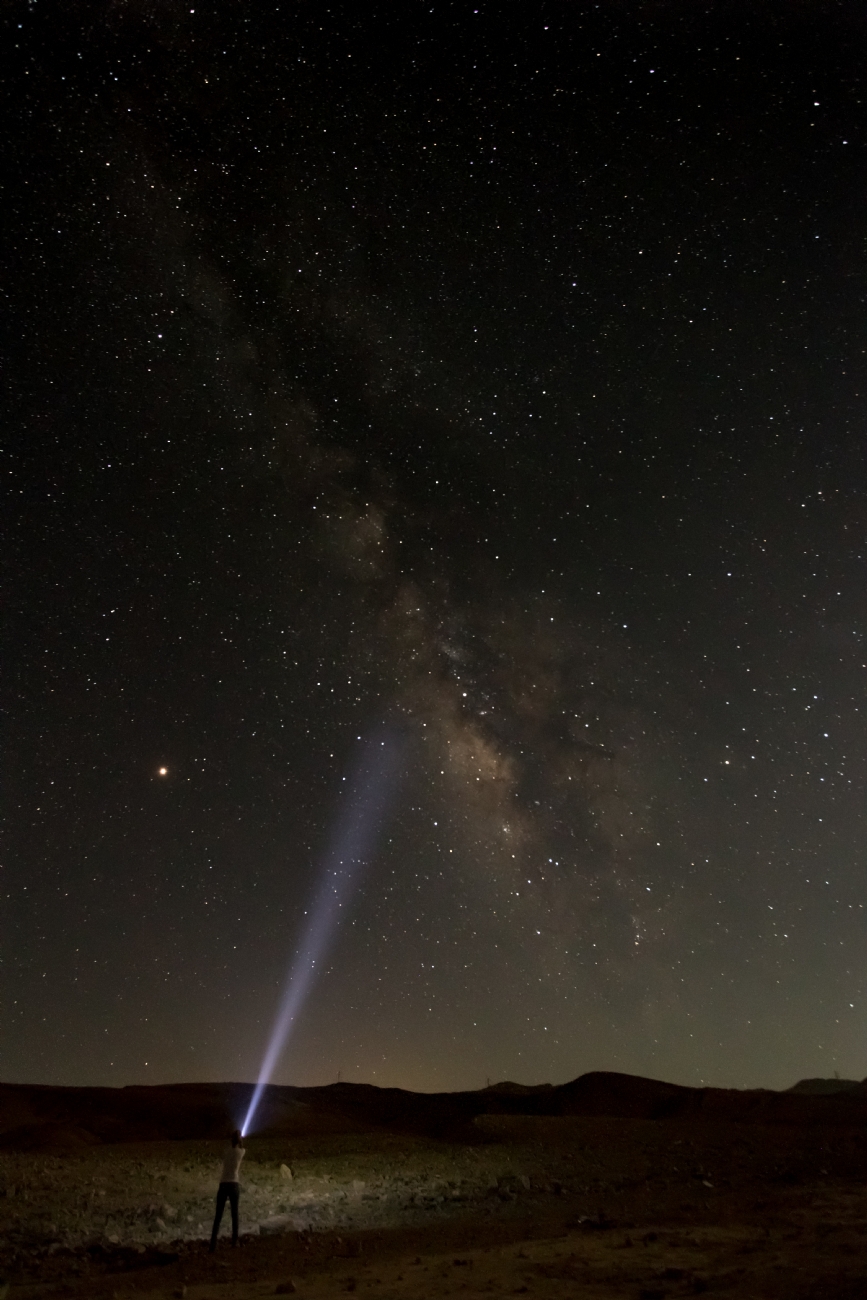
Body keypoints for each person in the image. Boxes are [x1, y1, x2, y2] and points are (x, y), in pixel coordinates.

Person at [209, 1129, 245, 1251]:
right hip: (234, 1184)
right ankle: (234, 1242)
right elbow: (242, 1147)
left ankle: (212, 1244)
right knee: (234, 1215)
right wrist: (240, 1142)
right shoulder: (241, 1152)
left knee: (218, 1215)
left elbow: (225, 1150)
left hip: (223, 1183)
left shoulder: (226, 1151)